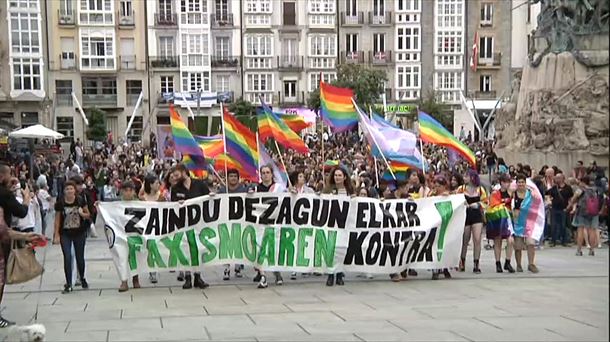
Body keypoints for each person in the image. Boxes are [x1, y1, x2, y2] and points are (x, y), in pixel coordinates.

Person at [170, 164, 210, 290]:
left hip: (198, 222)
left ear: (184, 172)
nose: (175, 178)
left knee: (198, 248)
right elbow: (173, 205)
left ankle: (198, 275)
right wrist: (178, 203)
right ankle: (188, 276)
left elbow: (208, 198)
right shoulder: (176, 188)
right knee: (186, 248)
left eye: (177, 175)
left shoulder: (200, 184)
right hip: (183, 222)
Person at [53, 181, 91, 293]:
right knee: (67, 257)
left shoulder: (80, 200)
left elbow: (88, 214)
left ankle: (82, 277)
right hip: (65, 233)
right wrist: (56, 234)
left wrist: (82, 213)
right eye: (67, 189)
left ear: (75, 190)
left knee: (80, 257)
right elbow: (57, 219)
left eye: (71, 188)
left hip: (79, 232)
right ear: (64, 191)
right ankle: (69, 283)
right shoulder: (60, 203)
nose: (69, 191)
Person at [250, 165, 285, 288]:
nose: (265, 175)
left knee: (273, 248)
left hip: (275, 222)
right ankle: (263, 275)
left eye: (267, 172)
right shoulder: (256, 189)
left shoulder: (279, 188)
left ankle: (277, 272)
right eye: (263, 172)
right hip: (260, 223)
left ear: (271, 174)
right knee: (260, 248)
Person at [322, 166, 354, 287]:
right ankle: (331, 275)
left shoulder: (350, 190)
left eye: (340, 175)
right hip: (331, 225)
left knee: (342, 250)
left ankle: (339, 274)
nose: (337, 178)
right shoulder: (328, 190)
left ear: (345, 177)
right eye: (335, 175)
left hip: (345, 226)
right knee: (331, 250)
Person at [217, 169, 247, 281]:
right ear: (227, 178)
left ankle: (238, 267)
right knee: (226, 244)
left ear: (238, 178)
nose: (233, 178)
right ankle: (226, 268)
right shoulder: (222, 191)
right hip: (226, 221)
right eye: (231, 176)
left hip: (240, 221)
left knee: (238, 244)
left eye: (235, 176)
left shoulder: (243, 190)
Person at [457, 169, 488, 273]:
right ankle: (462, 261)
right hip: (465, 215)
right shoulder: (461, 189)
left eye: (466, 176)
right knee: (465, 240)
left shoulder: (480, 190)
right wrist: (462, 203)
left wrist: (478, 204)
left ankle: (476, 263)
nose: (464, 178)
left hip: (476, 215)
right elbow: (455, 199)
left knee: (477, 239)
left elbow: (486, 201)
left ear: (472, 177)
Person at [485, 174, 515, 273]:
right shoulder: (495, 193)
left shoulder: (511, 192)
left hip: (508, 219)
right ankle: (498, 263)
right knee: (498, 241)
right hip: (498, 218)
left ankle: (507, 261)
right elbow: (493, 204)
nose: (508, 184)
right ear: (502, 183)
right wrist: (503, 202)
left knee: (510, 240)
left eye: (508, 182)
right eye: (506, 182)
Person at [118, 181, 143, 291]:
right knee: (122, 257)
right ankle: (124, 281)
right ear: (122, 192)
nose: (128, 193)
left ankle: (135, 278)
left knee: (134, 258)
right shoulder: (117, 205)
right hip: (122, 234)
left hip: (135, 234)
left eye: (130, 190)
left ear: (134, 192)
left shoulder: (139, 203)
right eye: (125, 190)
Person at [512, 174, 539, 273]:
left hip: (529, 222)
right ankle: (519, 265)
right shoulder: (513, 194)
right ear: (516, 183)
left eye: (522, 182)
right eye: (519, 182)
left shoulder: (531, 193)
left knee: (530, 243)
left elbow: (537, 204)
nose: (521, 184)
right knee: (518, 246)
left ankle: (531, 264)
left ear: (525, 183)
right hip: (517, 223)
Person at [570, 176, 601, 256]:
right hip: (594, 212)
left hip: (582, 212)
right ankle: (592, 250)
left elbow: (573, 199)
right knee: (592, 230)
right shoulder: (595, 190)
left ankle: (579, 250)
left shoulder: (580, 190)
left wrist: (569, 206)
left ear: (582, 182)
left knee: (580, 230)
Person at [430, 176, 453, 280]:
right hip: (435, 223)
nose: (437, 188)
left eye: (439, 186)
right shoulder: (431, 194)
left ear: (444, 186)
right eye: (436, 185)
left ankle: (445, 267)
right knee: (435, 245)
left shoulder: (450, 195)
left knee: (445, 244)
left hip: (446, 222)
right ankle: (435, 268)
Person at [548, 173, 573, 247]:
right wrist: (549, 202)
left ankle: (564, 241)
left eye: (558, 178)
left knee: (563, 225)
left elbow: (571, 198)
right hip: (554, 208)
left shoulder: (568, 188)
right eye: (556, 178)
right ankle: (553, 241)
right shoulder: (554, 188)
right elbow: (548, 195)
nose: (557, 179)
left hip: (563, 209)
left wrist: (569, 206)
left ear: (563, 178)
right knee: (554, 225)